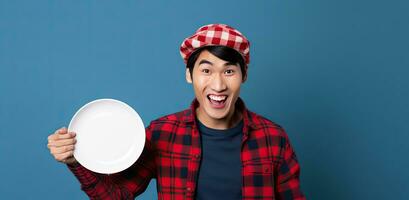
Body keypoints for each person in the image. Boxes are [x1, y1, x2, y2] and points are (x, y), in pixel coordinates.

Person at [47, 24, 306, 199]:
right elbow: (117, 196)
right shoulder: (163, 133)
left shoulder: (273, 138)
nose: (218, 84)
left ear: (244, 75)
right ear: (189, 75)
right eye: (206, 70)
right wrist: (74, 160)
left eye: (229, 71)